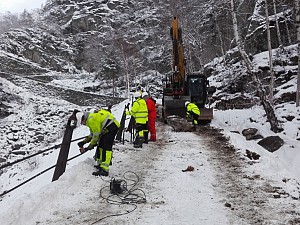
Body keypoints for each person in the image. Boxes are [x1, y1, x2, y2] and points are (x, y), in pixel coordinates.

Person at [77, 109, 120, 176]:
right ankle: (100, 165)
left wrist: (89, 146)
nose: (83, 124)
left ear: (83, 119)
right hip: (107, 128)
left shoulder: (92, 120)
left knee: (106, 147)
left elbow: (96, 136)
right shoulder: (90, 119)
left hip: (112, 127)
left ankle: (105, 169)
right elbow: (92, 134)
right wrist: (84, 142)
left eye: (82, 123)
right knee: (101, 145)